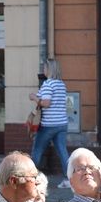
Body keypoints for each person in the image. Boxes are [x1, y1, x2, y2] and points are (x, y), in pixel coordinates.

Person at [30, 59, 70, 188]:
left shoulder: (48, 84)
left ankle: (29, 178)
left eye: (45, 68)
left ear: (49, 69)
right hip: (62, 123)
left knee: (37, 151)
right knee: (62, 151)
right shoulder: (61, 84)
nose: (43, 70)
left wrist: (34, 97)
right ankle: (69, 179)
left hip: (49, 124)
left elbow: (46, 103)